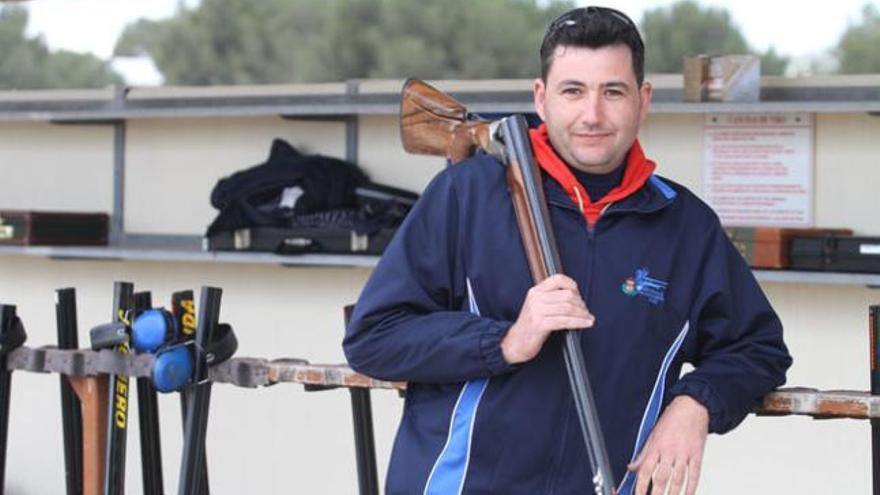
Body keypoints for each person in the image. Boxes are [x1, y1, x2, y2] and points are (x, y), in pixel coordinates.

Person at [344, 6, 792, 495]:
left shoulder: (686, 226)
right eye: (573, 91)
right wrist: (506, 341)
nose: (592, 115)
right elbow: (374, 337)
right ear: (542, 98)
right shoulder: (466, 193)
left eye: (613, 92)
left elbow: (758, 348)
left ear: (643, 101)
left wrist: (695, 404)